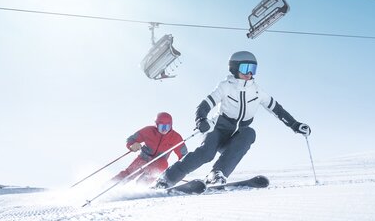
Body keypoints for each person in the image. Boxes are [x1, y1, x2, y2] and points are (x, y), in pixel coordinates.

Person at [155, 51, 310, 188]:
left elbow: (277, 110)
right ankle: (167, 178)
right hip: (218, 130)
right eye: (245, 68)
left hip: (236, 136)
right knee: (206, 154)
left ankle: (216, 174)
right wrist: (201, 119)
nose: (249, 73)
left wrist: (295, 125)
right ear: (235, 69)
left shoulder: (257, 91)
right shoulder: (225, 86)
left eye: (253, 69)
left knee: (249, 133)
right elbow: (205, 104)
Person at [112, 112, 187, 185]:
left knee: (161, 165)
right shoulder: (148, 131)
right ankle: (111, 184)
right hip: (143, 158)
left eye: (167, 127)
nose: (164, 130)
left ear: (171, 125)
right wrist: (132, 145)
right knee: (130, 173)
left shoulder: (175, 138)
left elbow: (184, 155)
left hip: (159, 163)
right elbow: (131, 139)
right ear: (157, 125)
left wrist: (178, 170)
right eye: (161, 127)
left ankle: (140, 186)